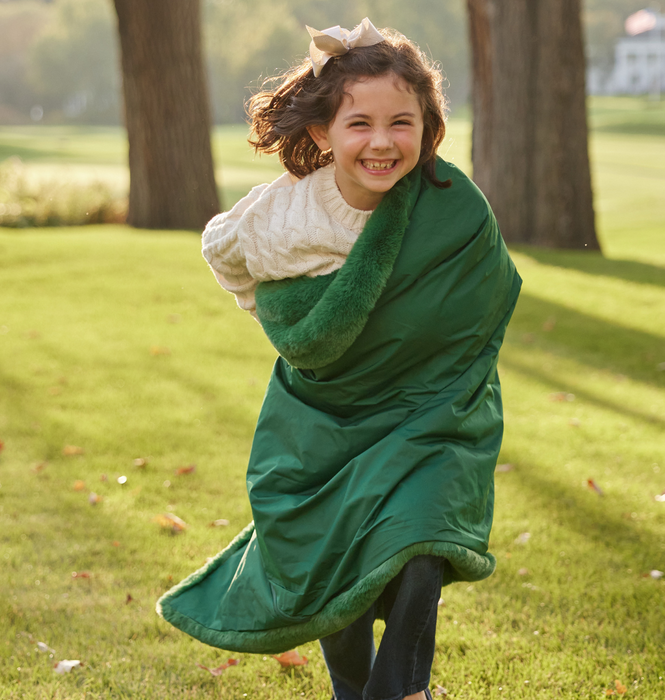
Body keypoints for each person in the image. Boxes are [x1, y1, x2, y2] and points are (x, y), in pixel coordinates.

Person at [157, 18, 521, 700]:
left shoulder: (454, 206)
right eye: (360, 124)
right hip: (325, 420)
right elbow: (223, 252)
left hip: (431, 418)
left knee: (422, 536)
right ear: (325, 133)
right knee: (336, 553)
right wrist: (273, 307)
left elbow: (479, 300)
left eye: (402, 123)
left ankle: (404, 690)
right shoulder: (283, 216)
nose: (382, 142)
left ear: (428, 126)